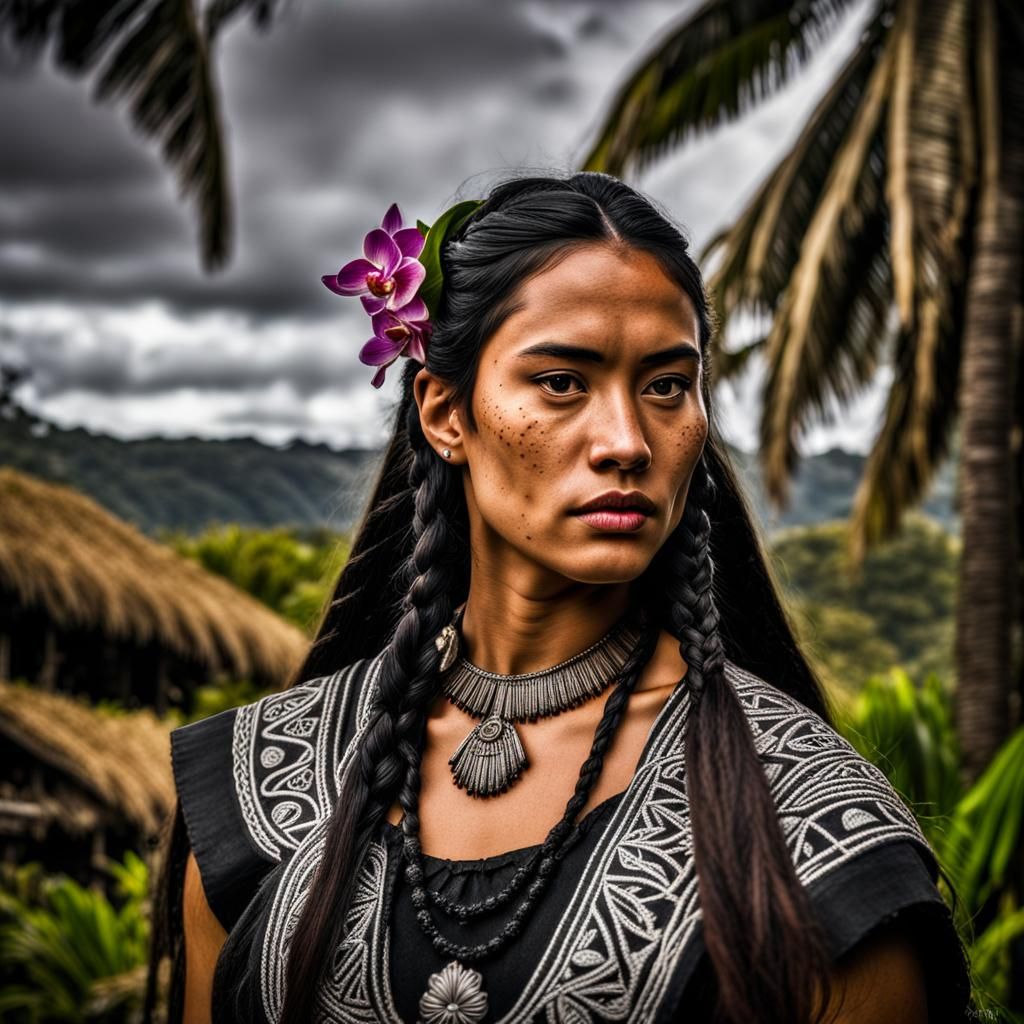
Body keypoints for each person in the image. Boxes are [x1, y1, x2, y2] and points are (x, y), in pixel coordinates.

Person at [144, 171, 973, 1024]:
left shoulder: (813, 842)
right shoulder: (260, 793)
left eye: (665, 386)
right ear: (444, 412)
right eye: (563, 383)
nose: (626, 442)